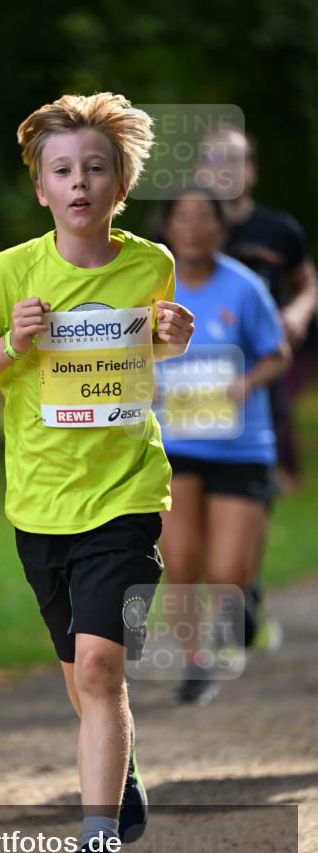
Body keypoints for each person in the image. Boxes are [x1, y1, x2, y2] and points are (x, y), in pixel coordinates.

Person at [0, 92, 194, 853]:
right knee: (82, 676)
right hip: (39, 507)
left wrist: (173, 336)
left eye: (96, 168)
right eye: (63, 170)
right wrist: (10, 343)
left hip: (126, 493)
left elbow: (156, 346)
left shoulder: (150, 264)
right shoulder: (8, 272)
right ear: (41, 188)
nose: (80, 182)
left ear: (119, 184)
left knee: (101, 668)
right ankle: (120, 766)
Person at [155, 186, 290, 705]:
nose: (193, 227)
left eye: (204, 217)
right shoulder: (151, 290)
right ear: (168, 227)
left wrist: (247, 384)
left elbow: (277, 353)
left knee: (229, 570)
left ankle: (245, 600)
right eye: (182, 217)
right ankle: (194, 663)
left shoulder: (246, 287)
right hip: (177, 441)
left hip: (240, 445)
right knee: (181, 557)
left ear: (221, 227)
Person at [196, 125, 317, 647]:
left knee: (252, 485)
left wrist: (297, 310)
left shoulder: (279, 231)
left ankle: (246, 585)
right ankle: (223, 585)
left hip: (261, 376)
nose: (224, 170)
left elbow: (307, 282)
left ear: (252, 171)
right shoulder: (186, 228)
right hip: (195, 379)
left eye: (234, 160)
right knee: (189, 484)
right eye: (214, 160)